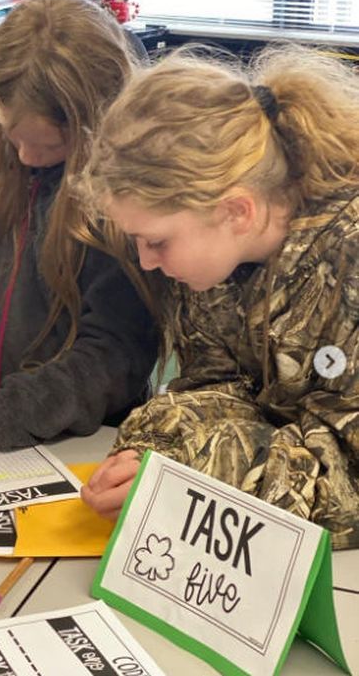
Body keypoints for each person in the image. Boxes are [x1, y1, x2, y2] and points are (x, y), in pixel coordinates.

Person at [79, 44, 359, 549]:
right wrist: (150, 450)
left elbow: (349, 483)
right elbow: (216, 385)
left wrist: (184, 469)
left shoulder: (349, 254)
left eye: (157, 241)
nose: (145, 263)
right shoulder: (217, 264)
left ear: (237, 212)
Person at [0, 0, 158, 453]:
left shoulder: (122, 201)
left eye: (50, 147)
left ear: (97, 122)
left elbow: (112, 358)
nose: (26, 158)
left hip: (83, 445)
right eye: (14, 137)